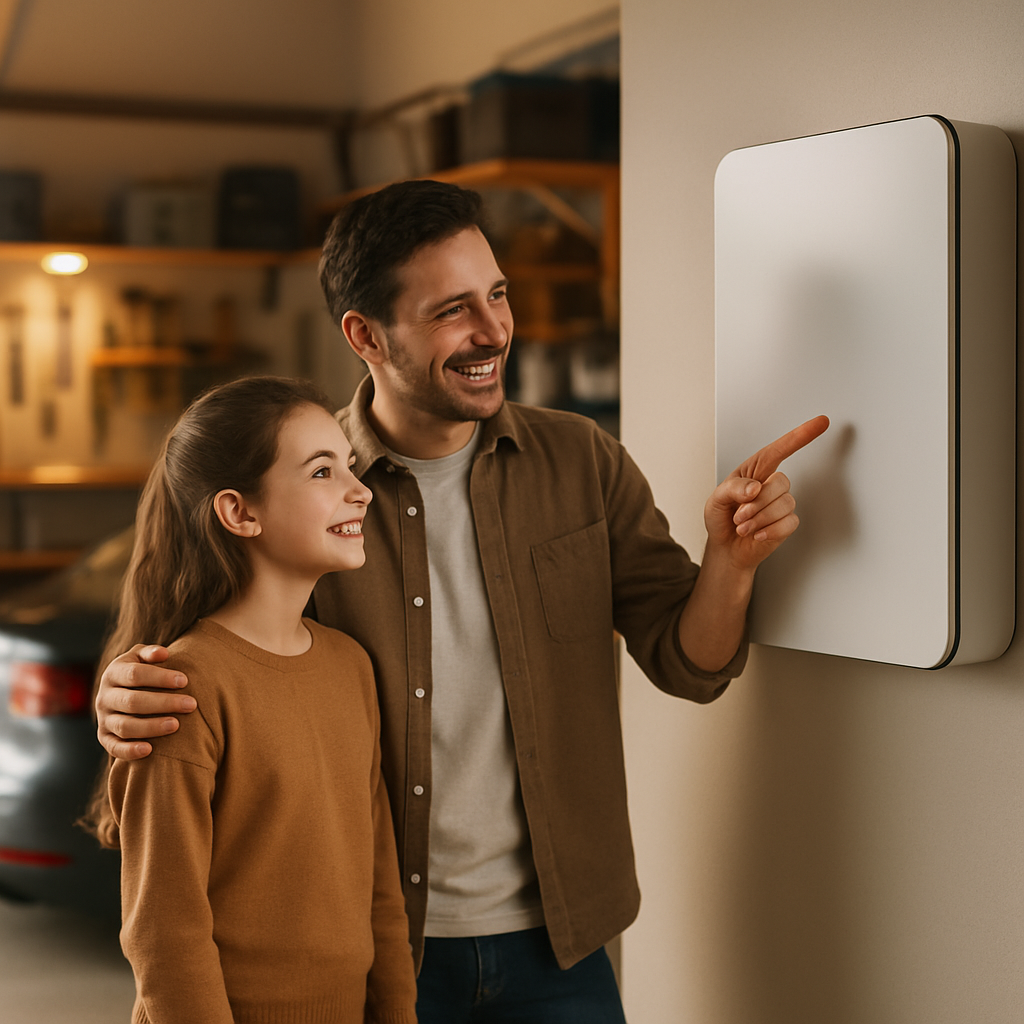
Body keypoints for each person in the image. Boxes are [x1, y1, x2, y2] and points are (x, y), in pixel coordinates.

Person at [93, 180, 828, 1023]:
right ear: (366, 335)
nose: (493, 331)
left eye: (498, 295)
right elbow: (220, 641)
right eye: (452, 309)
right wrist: (124, 690)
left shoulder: (582, 461)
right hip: (381, 951)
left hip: (561, 943)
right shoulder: (310, 492)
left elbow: (688, 665)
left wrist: (729, 563)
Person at [89, 376, 417, 1024]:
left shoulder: (349, 667)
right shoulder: (181, 691)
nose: (359, 491)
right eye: (322, 471)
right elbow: (165, 934)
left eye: (349, 466)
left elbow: (380, 882)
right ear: (240, 512)